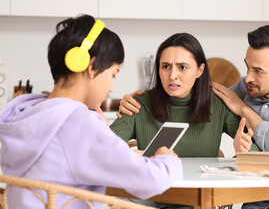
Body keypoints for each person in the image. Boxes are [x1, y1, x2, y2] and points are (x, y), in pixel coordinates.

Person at [119, 25, 269, 209]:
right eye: (165, 66)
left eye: (258, 71)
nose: (246, 78)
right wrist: (133, 103)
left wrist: (244, 113)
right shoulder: (246, 87)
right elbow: (208, 102)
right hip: (260, 200)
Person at [0, 14, 182, 209]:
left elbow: (65, 158)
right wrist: (168, 158)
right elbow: (151, 181)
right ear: (91, 66)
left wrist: (105, 137)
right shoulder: (78, 124)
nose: (111, 88)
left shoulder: (27, 113)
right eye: (113, 74)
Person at [110, 32, 259, 158]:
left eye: (182, 67)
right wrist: (137, 156)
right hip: (155, 190)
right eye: (165, 66)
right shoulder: (137, 105)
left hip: (203, 190)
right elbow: (100, 150)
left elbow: (256, 151)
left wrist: (242, 153)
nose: (172, 75)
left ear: (199, 71)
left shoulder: (217, 105)